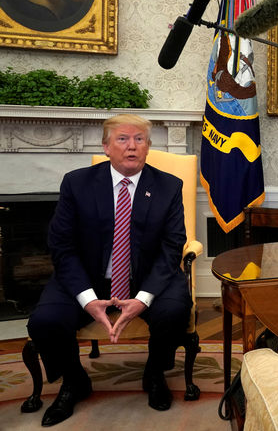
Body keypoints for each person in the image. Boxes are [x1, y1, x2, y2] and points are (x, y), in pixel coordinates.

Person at [27, 114, 192, 426]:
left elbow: (173, 246)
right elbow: (61, 245)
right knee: (45, 320)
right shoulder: (77, 183)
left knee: (174, 310)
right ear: (105, 147)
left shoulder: (168, 186)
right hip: (87, 277)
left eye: (139, 139)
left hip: (144, 277)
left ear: (148, 147)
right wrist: (87, 299)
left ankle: (154, 373)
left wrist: (143, 298)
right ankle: (74, 379)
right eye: (122, 139)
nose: (132, 146)